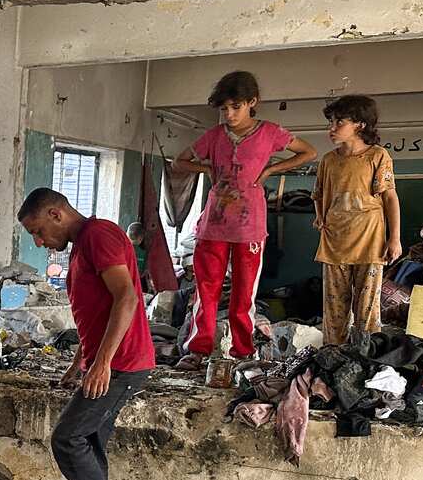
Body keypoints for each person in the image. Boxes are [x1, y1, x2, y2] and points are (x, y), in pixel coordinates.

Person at [18, 188, 155, 480]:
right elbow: (98, 310)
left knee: (68, 438)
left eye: (38, 231)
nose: (38, 240)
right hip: (109, 359)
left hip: (123, 362)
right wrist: (78, 363)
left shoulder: (100, 236)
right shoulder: (83, 244)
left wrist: (103, 362)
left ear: (56, 214)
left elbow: (126, 297)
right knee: (90, 441)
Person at [172, 71, 317, 369]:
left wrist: (271, 171)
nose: (229, 114)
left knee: (244, 295)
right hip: (213, 225)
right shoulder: (214, 136)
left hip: (249, 228)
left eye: (235, 107)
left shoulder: (270, 133)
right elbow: (178, 161)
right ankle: (198, 350)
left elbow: (308, 151)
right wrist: (207, 170)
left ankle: (242, 351)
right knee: (206, 290)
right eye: (224, 109)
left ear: (253, 102)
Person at [312, 95, 401, 346]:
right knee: (334, 309)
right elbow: (317, 194)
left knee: (367, 309)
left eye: (339, 121)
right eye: (331, 122)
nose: (332, 128)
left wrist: (394, 239)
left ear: (360, 125)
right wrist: (320, 217)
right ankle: (333, 355)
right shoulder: (329, 160)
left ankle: (365, 358)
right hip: (334, 244)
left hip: (369, 242)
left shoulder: (378, 156)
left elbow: (390, 197)